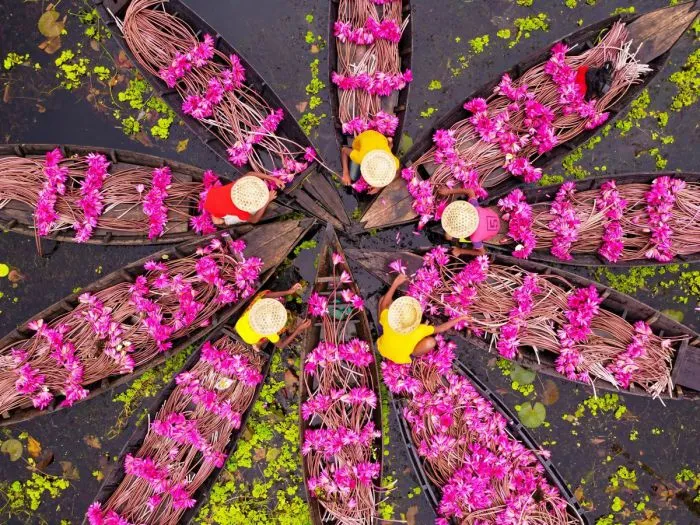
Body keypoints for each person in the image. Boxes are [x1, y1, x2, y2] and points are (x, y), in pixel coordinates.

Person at [376, 274, 469, 364]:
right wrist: (460, 318)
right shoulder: (420, 330)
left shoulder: (388, 320)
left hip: (382, 348)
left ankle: (383, 328)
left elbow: (384, 304)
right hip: (402, 358)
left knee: (383, 300)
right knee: (431, 342)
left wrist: (395, 283)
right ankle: (414, 353)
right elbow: (441, 328)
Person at [235, 283, 311, 350]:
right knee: (288, 321)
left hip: (239, 326)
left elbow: (265, 296)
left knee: (261, 295)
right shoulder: (270, 333)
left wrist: (289, 291)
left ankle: (257, 344)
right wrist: (298, 329)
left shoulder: (258, 305)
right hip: (251, 340)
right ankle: (257, 344)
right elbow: (281, 345)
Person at [438, 187, 509, 258]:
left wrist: (460, 251)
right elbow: (470, 191)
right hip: (493, 216)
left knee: (448, 236)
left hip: (494, 233)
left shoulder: (475, 238)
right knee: (448, 235)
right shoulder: (475, 208)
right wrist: (448, 191)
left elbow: (482, 252)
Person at [204, 173, 283, 226]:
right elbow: (254, 220)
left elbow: (250, 174)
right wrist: (267, 200)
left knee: (218, 213)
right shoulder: (241, 211)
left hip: (212, 197)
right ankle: (218, 218)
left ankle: (215, 215)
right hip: (218, 209)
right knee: (222, 221)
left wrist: (273, 179)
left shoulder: (237, 186)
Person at [341, 130, 400, 194]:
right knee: (353, 176)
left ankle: (389, 143)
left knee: (387, 146)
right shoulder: (360, 158)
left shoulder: (394, 163)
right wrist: (345, 173)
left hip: (380, 138)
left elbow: (397, 171)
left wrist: (379, 188)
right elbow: (344, 150)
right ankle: (389, 144)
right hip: (364, 137)